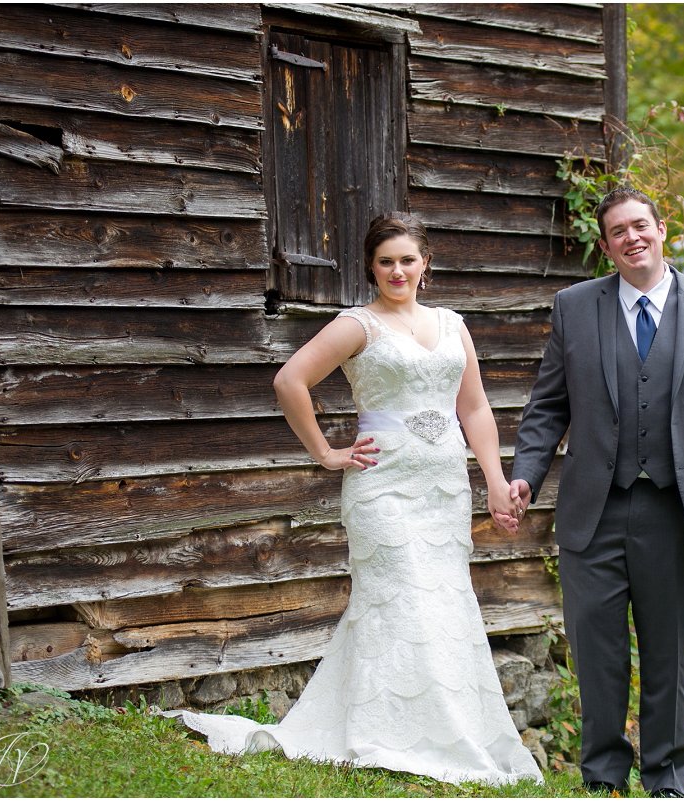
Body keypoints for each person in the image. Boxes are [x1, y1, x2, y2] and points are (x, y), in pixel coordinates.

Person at [163, 212, 543, 787]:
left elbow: (474, 409)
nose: (397, 270)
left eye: (407, 260)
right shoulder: (357, 324)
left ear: (425, 264)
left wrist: (493, 481)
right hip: (382, 485)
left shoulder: (451, 325)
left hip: (442, 487)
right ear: (371, 266)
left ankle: (444, 727)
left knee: (442, 604)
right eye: (386, 260)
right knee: (400, 599)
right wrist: (325, 453)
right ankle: (386, 730)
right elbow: (289, 380)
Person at [501, 188, 684, 797]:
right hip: (593, 509)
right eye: (618, 232)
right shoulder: (575, 307)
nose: (632, 238)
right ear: (605, 246)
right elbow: (548, 406)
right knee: (597, 653)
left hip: (680, 510)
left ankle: (668, 781)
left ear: (662, 230)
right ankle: (603, 778)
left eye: (641, 226)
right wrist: (525, 472)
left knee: (668, 657)